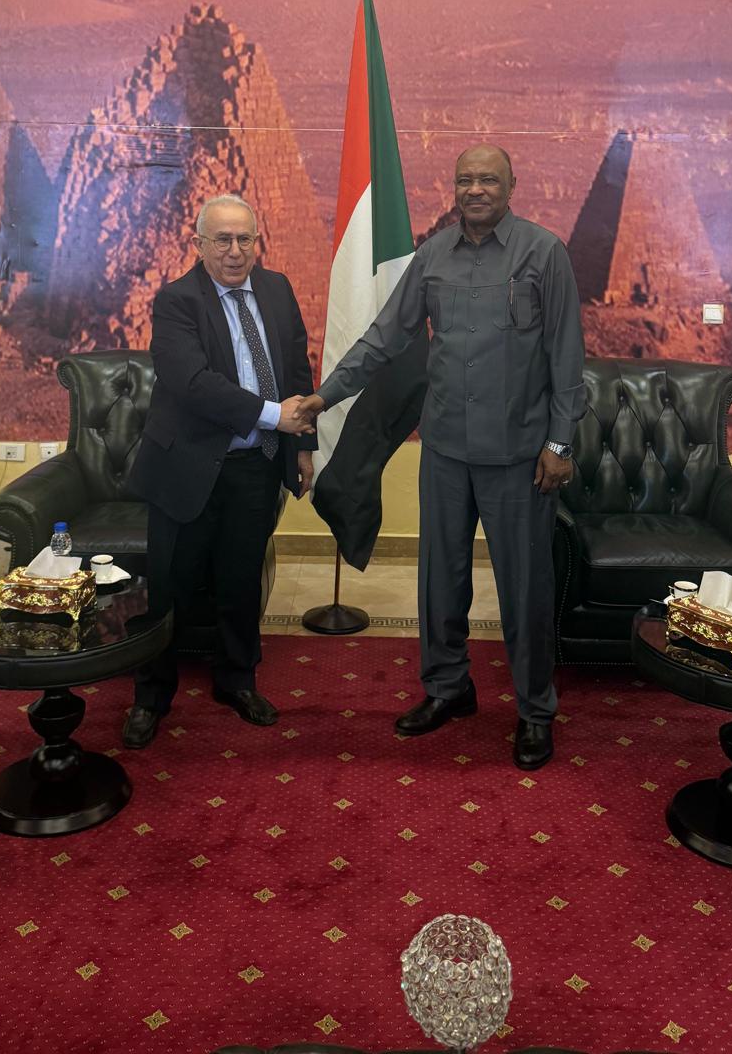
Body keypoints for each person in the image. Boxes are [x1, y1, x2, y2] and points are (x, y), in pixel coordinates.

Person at [302, 145, 586, 770]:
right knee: (440, 579)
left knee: (525, 590)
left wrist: (560, 443)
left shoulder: (544, 253)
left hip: (520, 457)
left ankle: (535, 711)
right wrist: (325, 396)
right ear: (454, 188)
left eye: (488, 179)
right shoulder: (431, 256)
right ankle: (447, 687)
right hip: (447, 452)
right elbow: (383, 338)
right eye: (465, 180)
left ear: (512, 185)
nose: (475, 189)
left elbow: (567, 356)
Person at [122, 194, 315, 746]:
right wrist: (275, 416)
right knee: (170, 589)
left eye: (244, 239)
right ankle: (151, 697)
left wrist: (302, 444)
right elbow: (193, 383)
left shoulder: (276, 289)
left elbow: (296, 368)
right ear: (199, 244)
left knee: (240, 582)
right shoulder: (177, 301)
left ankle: (237, 680)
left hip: (255, 466)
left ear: (257, 241)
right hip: (187, 468)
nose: (235, 251)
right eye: (223, 240)